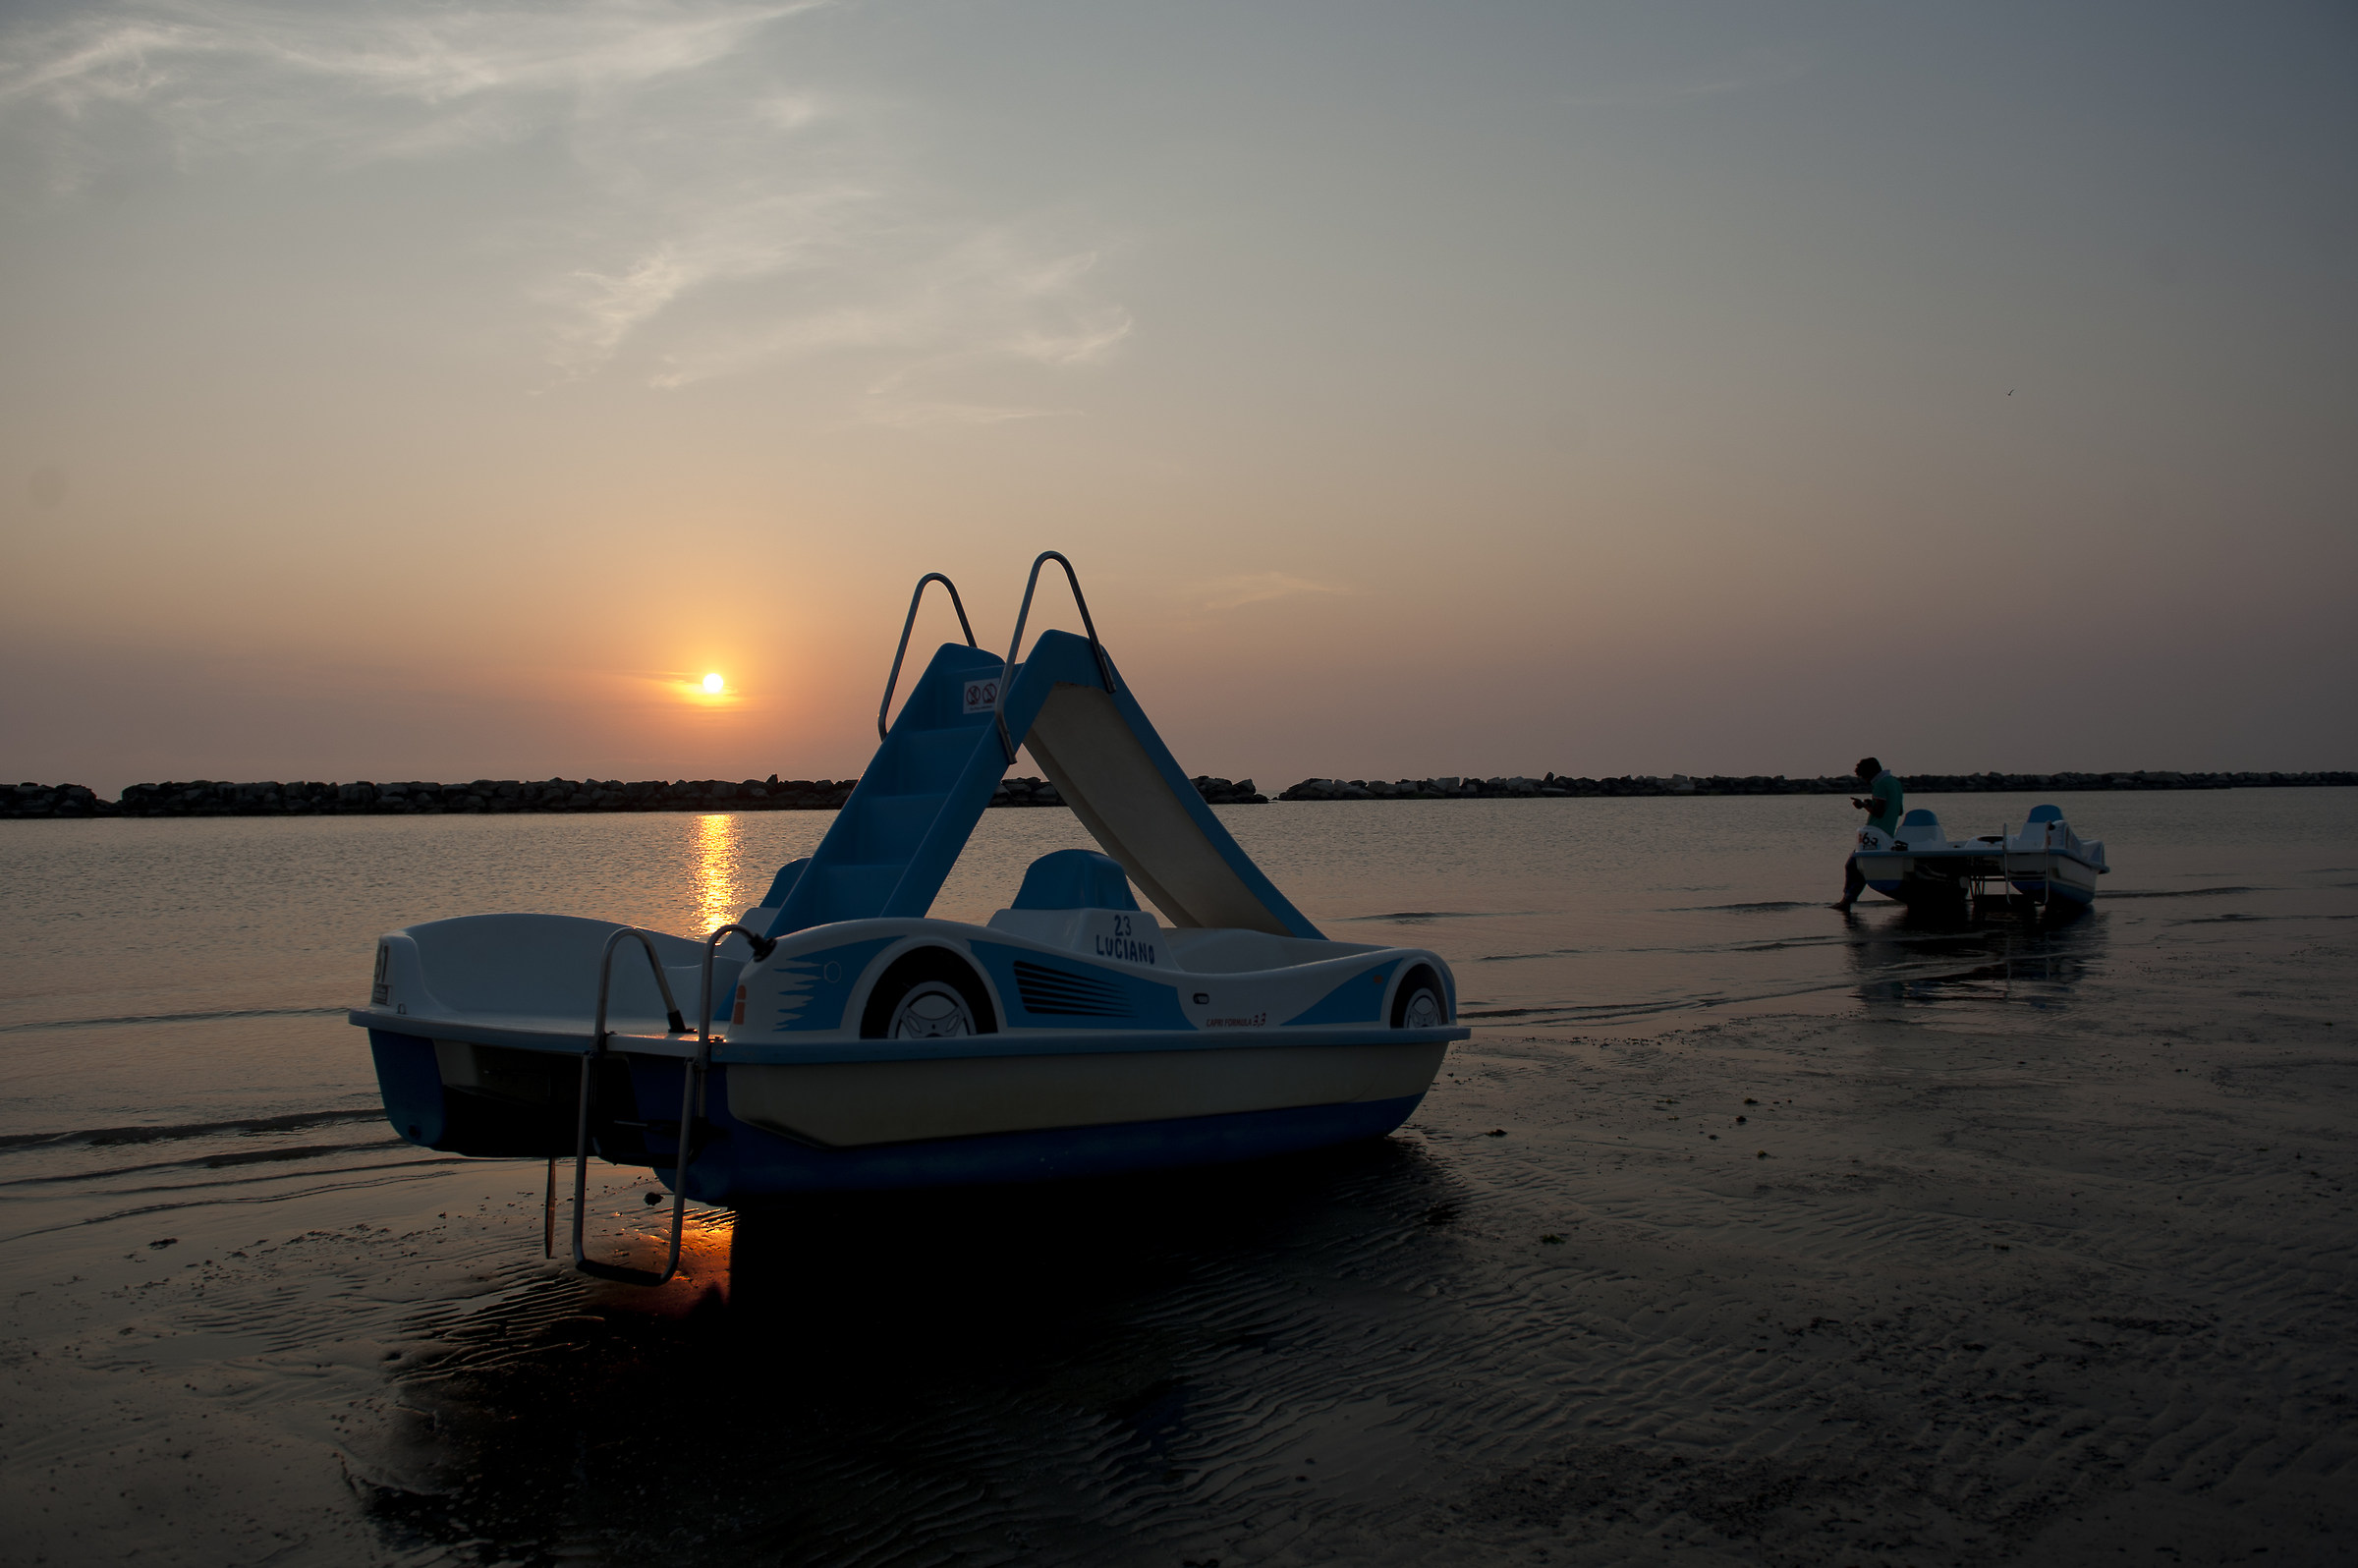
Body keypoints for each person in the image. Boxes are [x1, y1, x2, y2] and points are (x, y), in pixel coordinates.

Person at [1836, 756, 1903, 911]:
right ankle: (1848, 900)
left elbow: (1878, 812)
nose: (1866, 781)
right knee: (1861, 867)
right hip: (1888, 833)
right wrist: (1871, 803)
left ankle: (1847, 901)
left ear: (1872, 771)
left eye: (1865, 776)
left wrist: (1863, 805)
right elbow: (1898, 810)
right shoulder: (1895, 783)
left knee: (1853, 866)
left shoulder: (1880, 784)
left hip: (1875, 833)